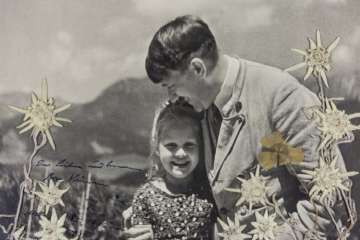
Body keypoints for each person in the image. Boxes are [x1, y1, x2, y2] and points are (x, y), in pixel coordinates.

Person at [133, 15, 356, 239]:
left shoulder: (279, 98)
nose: (171, 98)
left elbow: (330, 205)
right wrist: (154, 222)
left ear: (197, 69)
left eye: (171, 86)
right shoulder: (200, 107)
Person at [123, 100, 216, 240]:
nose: (181, 153)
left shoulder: (210, 192)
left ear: (201, 148)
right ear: (157, 149)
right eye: (171, 145)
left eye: (189, 145)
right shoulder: (145, 197)